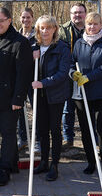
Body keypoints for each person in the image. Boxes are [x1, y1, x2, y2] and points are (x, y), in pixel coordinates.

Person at [0, 7, 33, 186]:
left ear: (9, 20)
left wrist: (18, 98)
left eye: (1, 20)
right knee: (4, 131)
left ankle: (4, 169)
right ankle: (13, 164)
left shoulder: (19, 42)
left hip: (11, 97)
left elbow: (23, 74)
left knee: (9, 132)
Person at [70, 12, 102, 177]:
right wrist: (73, 74)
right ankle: (91, 162)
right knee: (86, 130)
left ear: (101, 25)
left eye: (95, 24)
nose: (92, 27)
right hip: (81, 95)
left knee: (101, 129)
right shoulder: (79, 43)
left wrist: (89, 77)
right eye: (89, 24)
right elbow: (71, 62)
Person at [30, 15, 71, 181]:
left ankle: (55, 164)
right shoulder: (34, 46)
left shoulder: (62, 48)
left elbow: (62, 74)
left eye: (48, 28)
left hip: (56, 95)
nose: (45, 31)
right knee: (42, 130)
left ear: (55, 29)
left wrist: (44, 83)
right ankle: (43, 162)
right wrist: (32, 60)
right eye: (42, 28)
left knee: (55, 130)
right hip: (38, 95)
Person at [59, 3, 87, 148]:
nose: (77, 15)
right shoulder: (63, 30)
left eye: (80, 12)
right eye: (74, 13)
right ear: (70, 14)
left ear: (85, 14)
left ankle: (90, 138)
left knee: (87, 108)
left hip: (86, 74)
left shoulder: (91, 28)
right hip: (67, 74)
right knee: (67, 108)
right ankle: (68, 138)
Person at [16, 7, 37, 152]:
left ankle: (38, 139)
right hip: (19, 77)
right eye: (23, 17)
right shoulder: (16, 36)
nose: (25, 20)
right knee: (19, 109)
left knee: (36, 109)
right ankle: (22, 138)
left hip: (34, 77)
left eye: (28, 17)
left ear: (32, 18)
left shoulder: (38, 35)